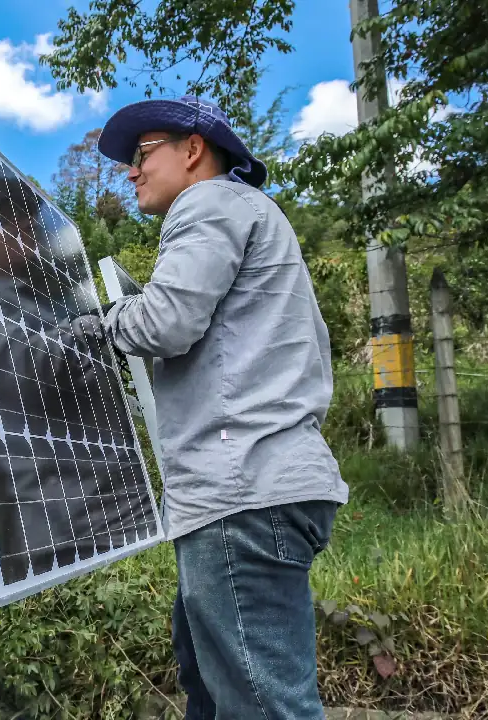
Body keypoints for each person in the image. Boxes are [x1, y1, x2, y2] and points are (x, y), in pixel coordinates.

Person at [71, 97, 350, 719]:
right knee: (216, 694)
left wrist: (101, 325)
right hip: (253, 489)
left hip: (239, 489)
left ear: (192, 150)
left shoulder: (210, 201)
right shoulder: (254, 215)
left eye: (142, 154)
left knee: (262, 706)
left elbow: (167, 322)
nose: (131, 171)